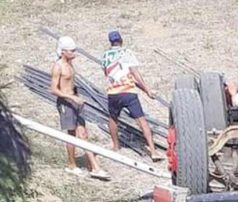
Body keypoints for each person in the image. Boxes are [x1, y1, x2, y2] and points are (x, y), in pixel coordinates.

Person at [50, 36, 109, 180]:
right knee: (72, 135)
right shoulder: (58, 66)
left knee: (83, 134)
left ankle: (94, 167)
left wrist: (77, 96)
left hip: (75, 101)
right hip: (66, 103)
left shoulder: (70, 64)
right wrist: (71, 97)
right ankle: (72, 164)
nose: (74, 53)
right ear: (63, 51)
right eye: (71, 50)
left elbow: (70, 84)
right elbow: (53, 89)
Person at [101, 31, 163, 161]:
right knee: (142, 121)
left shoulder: (105, 56)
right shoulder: (127, 53)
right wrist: (147, 90)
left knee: (113, 118)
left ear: (110, 42)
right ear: (121, 40)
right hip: (128, 91)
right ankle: (153, 151)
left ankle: (116, 146)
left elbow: (108, 75)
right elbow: (134, 73)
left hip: (113, 93)